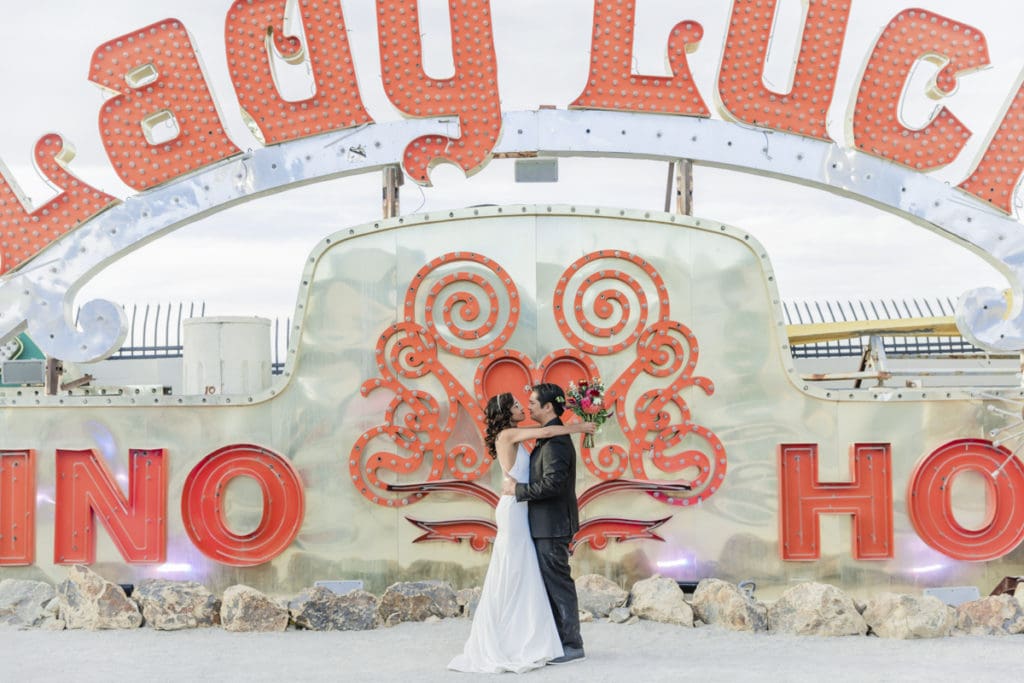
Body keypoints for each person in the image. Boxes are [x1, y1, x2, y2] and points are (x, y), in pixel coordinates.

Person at [448, 391, 594, 674]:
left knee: (521, 570)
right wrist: (580, 427)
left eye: (528, 403)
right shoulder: (508, 434)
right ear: (506, 412)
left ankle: (529, 636)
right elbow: (549, 429)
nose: (523, 407)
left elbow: (548, 438)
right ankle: (514, 638)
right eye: (517, 404)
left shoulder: (517, 435)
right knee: (514, 569)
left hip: (522, 505)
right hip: (515, 508)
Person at [502, 383, 586, 664]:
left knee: (558, 582)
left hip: (552, 525)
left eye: (534, 403)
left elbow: (553, 484)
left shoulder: (556, 442)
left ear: (548, 406)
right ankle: (557, 642)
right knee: (550, 583)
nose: (529, 407)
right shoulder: (546, 438)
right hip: (544, 523)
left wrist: (518, 491)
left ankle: (572, 645)